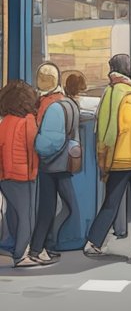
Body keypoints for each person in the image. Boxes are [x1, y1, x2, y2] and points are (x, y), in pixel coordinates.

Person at [84, 53, 131, 260]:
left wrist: (104, 156)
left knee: (111, 202)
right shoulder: (128, 94)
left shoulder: (110, 92)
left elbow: (103, 129)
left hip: (118, 158)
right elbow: (126, 128)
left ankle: (94, 241)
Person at [30, 63, 79, 265]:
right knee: (65, 205)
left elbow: (47, 141)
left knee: (48, 206)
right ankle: (46, 245)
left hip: (49, 164)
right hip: (63, 163)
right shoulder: (68, 103)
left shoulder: (48, 105)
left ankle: (39, 247)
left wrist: (36, 145)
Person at [0, 80, 40, 267]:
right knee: (26, 215)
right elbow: (34, 148)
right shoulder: (28, 121)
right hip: (24, 175)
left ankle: (10, 246)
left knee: (13, 213)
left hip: (5, 176)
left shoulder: (5, 122)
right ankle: (21, 254)